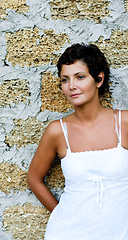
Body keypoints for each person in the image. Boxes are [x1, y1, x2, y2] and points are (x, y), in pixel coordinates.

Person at [27, 43, 128, 240]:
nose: (72, 86)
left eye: (80, 77)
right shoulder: (57, 131)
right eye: (65, 80)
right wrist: (60, 213)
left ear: (99, 79)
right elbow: (34, 178)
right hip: (68, 232)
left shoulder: (123, 122)